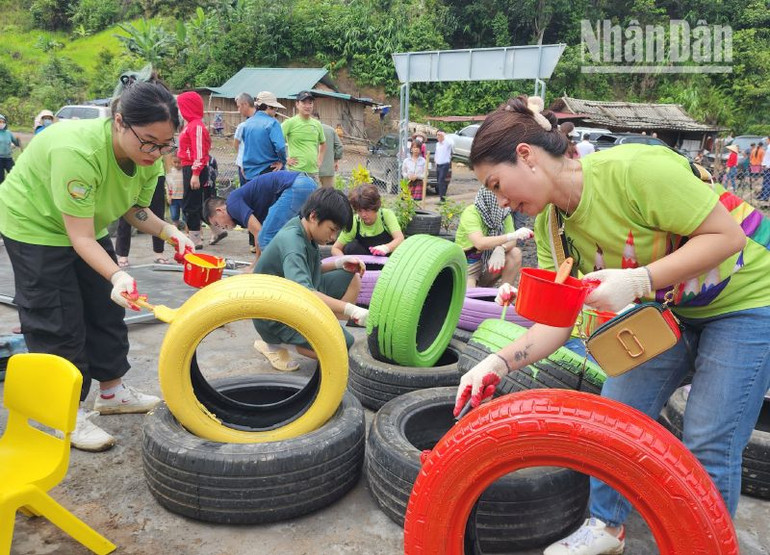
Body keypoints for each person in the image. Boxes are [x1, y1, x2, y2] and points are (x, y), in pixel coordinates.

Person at [453, 95, 770, 555]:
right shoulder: (551, 228)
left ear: (526, 155)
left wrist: (639, 279)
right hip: (670, 310)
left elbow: (728, 237)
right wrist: (497, 364)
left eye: (498, 185)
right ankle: (606, 527)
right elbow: (557, 324)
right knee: (617, 416)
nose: (501, 203)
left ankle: (707, 545)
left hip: (746, 299)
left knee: (707, 439)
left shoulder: (635, 170)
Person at [0, 80, 196, 452]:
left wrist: (171, 231)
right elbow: (82, 238)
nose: (156, 152)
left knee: (106, 305)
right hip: (35, 224)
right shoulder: (78, 150)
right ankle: (61, 416)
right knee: (56, 318)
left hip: (83, 225)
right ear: (120, 123)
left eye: (164, 144)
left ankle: (112, 392)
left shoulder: (147, 157)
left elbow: (134, 210)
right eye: (149, 142)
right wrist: (118, 272)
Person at [251, 188, 367, 371]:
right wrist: (352, 310)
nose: (333, 238)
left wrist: (339, 264)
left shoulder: (305, 230)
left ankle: (326, 333)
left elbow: (307, 269)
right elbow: (305, 292)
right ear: (314, 216)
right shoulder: (292, 242)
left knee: (351, 278)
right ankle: (275, 344)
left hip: (293, 299)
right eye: (332, 230)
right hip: (275, 315)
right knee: (343, 348)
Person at [202, 170, 317, 263]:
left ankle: (274, 279)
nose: (222, 227)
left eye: (217, 223)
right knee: (300, 235)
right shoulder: (242, 204)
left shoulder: (232, 205)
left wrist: (256, 266)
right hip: (308, 184)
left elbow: (260, 234)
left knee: (266, 237)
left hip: (295, 186)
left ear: (220, 210)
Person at [454, 187, 532, 288]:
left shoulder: (503, 213)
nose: (502, 203)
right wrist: (510, 236)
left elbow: (512, 242)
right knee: (470, 298)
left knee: (515, 253)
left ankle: (504, 294)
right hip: (468, 267)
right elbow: (480, 243)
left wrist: (501, 248)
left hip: (488, 263)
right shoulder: (471, 213)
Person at [177, 91, 214, 248]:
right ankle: (213, 231)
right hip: (188, 167)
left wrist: (195, 174)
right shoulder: (191, 125)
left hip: (193, 169)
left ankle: (195, 239)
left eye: (181, 107)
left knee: (191, 204)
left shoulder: (196, 126)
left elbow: (199, 151)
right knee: (192, 203)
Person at [331, 183, 404, 256]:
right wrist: (345, 260)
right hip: (363, 264)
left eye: (367, 210)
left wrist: (385, 248)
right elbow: (335, 248)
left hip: (387, 262)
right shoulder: (355, 222)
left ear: (375, 207)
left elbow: (399, 239)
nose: (363, 215)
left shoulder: (386, 215)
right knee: (351, 247)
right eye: (359, 211)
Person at [115, 173, 171, 266]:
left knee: (158, 213)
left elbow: (167, 159)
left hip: (156, 176)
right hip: (132, 175)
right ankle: (122, 254)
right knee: (125, 213)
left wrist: (170, 178)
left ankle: (159, 252)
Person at [240, 90, 286, 180]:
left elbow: (244, 147)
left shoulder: (247, 123)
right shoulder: (272, 123)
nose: (276, 110)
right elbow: (280, 147)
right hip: (269, 171)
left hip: (249, 173)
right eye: (275, 108)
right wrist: (282, 161)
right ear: (269, 107)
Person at [282, 91, 326, 183]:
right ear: (297, 104)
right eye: (304, 103)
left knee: (314, 197)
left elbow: (323, 143)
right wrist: (285, 159)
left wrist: (320, 159)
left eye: (310, 103)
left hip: (313, 172)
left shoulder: (317, 124)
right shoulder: (290, 123)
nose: (307, 106)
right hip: (296, 172)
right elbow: (275, 141)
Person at [316, 113, 343, 188]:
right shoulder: (330, 129)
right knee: (328, 195)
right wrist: (335, 161)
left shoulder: (306, 130)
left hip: (311, 170)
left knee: (313, 196)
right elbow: (339, 147)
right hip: (328, 170)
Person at [165, 153, 185, 230]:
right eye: (175, 162)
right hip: (174, 197)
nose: (177, 164)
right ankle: (175, 232)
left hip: (183, 197)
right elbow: (168, 185)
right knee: (174, 216)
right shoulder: (170, 172)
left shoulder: (185, 171)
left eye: (179, 162)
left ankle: (187, 232)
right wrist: (168, 196)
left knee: (185, 216)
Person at [0, 113, 21, 185]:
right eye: (0, 122)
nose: (1, 123)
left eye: (3, 122)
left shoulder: (8, 133)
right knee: (1, 178)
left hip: (8, 158)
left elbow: (16, 143)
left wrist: (17, 142)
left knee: (14, 175)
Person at [434, 130, 453, 202]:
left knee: (441, 180)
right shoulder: (437, 144)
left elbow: (452, 143)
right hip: (438, 165)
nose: (438, 136)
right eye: (437, 135)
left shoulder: (447, 143)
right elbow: (437, 153)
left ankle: (442, 198)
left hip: (445, 164)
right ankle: (443, 197)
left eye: (439, 135)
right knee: (439, 181)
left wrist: (445, 135)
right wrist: (436, 161)